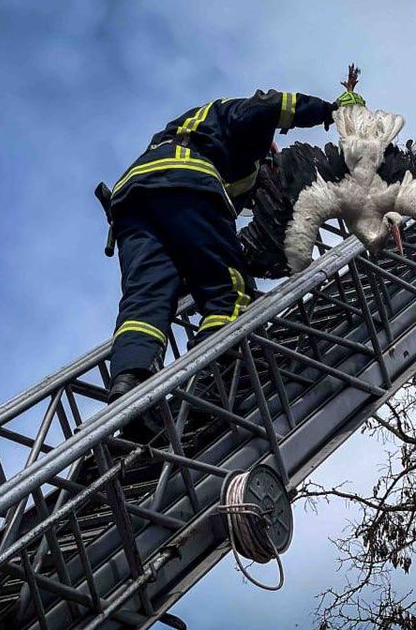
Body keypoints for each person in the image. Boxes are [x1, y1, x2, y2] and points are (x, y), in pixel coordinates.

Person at [105, 88, 366, 403]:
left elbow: (198, 239)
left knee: (147, 297)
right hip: (184, 180)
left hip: (130, 202)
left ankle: (129, 383)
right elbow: (269, 105)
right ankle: (217, 373)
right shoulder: (245, 132)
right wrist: (328, 111)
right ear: (267, 158)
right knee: (229, 293)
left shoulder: (200, 140)